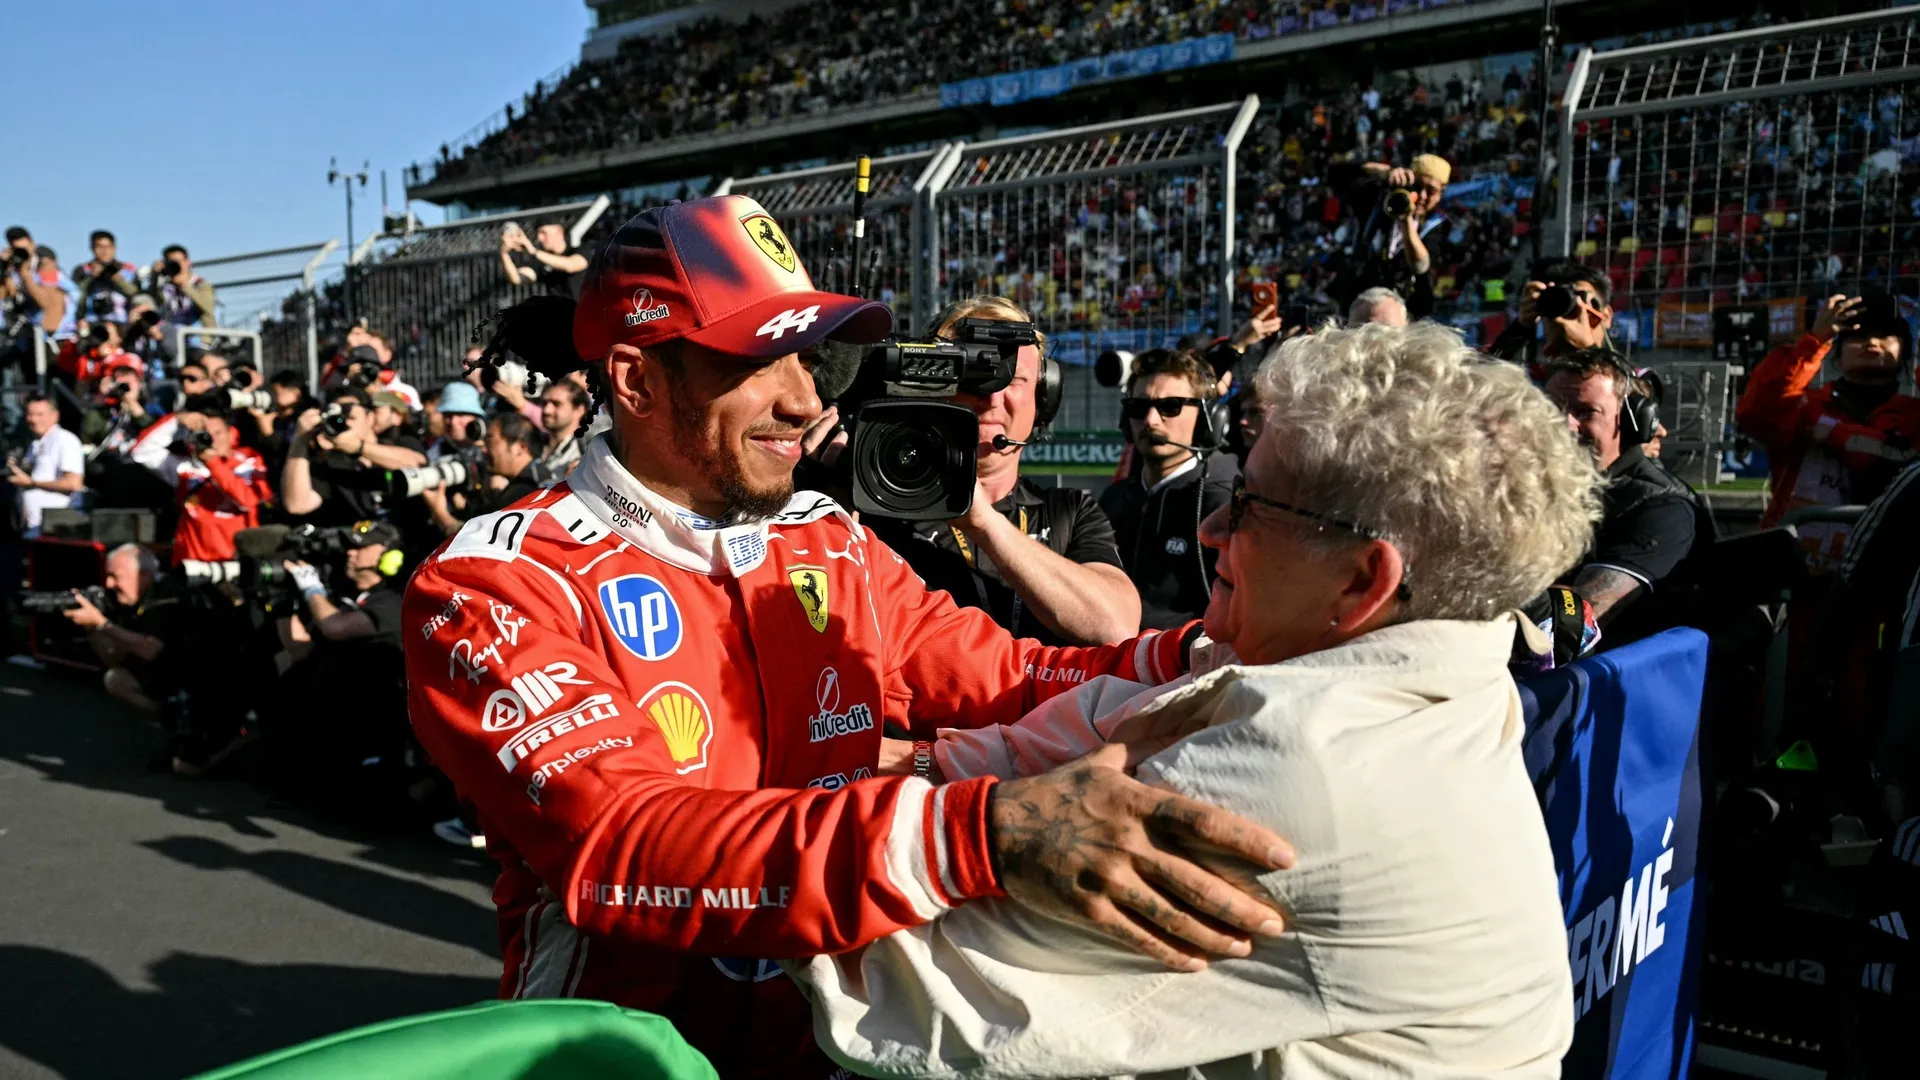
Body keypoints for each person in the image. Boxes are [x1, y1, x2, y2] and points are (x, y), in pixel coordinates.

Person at [403, 196, 1291, 1079]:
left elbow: (1015, 677)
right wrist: (977, 835)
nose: (805, 399)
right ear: (636, 382)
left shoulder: (827, 540)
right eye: (761, 360)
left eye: (807, 357)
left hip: (839, 1047)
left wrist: (1204, 653)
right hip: (622, 1059)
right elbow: (625, 837)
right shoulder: (493, 582)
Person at [793, 322, 1597, 1079]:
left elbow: (908, 997)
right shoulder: (1408, 664)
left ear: (1363, 580)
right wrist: (928, 764)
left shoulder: (1306, 764)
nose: (1213, 527)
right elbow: (1108, 714)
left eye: (1250, 504)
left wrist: (767, 767)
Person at [858, 295, 1142, 646]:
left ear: (1044, 397)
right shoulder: (874, 503)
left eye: (1013, 379)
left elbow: (1117, 627)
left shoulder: (1070, 511)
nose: (992, 398)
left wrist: (982, 522)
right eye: (972, 375)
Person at [1736, 292, 1920, 571]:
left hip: (1887, 572)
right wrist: (1815, 340)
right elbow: (1756, 413)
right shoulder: (1804, 406)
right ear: (1837, 355)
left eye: (1885, 336)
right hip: (1797, 568)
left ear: (1905, 352)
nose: (1872, 342)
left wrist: (1835, 434)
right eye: (1857, 337)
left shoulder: (1914, 415)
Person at [1544, 348, 1708, 643]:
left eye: (1586, 412)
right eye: (1552, 411)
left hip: (1604, 668)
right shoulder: (1538, 490)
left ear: (1633, 422)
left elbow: (1572, 628)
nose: (1565, 425)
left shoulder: (1663, 508)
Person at [1098, 348, 1239, 629]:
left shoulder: (1222, 505)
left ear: (1206, 418)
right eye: (1139, 407)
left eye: (1170, 406)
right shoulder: (1113, 499)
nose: (1151, 420)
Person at [63, 544, 190, 717]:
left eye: (115, 577)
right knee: (115, 679)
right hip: (155, 671)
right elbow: (113, 659)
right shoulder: (124, 599)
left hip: (189, 671)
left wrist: (102, 623)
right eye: (108, 576)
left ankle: (171, 714)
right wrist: (92, 627)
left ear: (143, 576)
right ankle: (165, 712)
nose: (109, 584)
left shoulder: (169, 595)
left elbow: (151, 649)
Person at [280, 386, 426, 525]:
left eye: (350, 417)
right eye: (338, 418)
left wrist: (358, 447)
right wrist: (300, 439)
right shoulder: (331, 464)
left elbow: (418, 465)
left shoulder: (400, 442)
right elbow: (297, 505)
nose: (344, 423)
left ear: (370, 417)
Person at [1328, 154, 1449, 320]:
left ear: (1441, 194)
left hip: (1408, 313)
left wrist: (1406, 221)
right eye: (1417, 186)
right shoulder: (1377, 197)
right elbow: (1335, 172)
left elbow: (1421, 266)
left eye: (1431, 191)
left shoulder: (1439, 224)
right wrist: (1385, 172)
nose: (1422, 195)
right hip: (1360, 303)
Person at [165, 402, 273, 565]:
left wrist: (213, 463)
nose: (212, 439)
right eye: (205, 434)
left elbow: (249, 501)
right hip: (191, 561)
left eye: (218, 432)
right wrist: (177, 419)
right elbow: (142, 452)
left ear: (232, 434)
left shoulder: (250, 460)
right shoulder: (185, 465)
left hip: (235, 560)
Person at [420, 411, 544, 535]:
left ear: (520, 447)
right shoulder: (537, 476)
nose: (483, 450)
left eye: (489, 441)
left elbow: (481, 540)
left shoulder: (527, 491)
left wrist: (440, 513)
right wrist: (464, 507)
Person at [1485, 260, 1616, 372]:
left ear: (1606, 316)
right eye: (1559, 304)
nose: (1567, 318)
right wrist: (1520, 327)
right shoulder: (1533, 381)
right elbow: (1483, 382)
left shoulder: (1623, 378)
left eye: (1581, 299)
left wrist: (1588, 351)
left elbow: (1615, 390)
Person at [9, 394, 84, 537]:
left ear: (55, 416)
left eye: (39, 414)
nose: (33, 419)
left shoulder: (65, 440)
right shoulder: (35, 444)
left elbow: (73, 483)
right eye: (30, 414)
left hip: (52, 527)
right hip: (31, 525)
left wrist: (32, 483)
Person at [498, 218, 587, 297]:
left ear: (559, 231)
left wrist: (534, 251)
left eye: (544, 233)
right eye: (538, 233)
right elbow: (516, 279)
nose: (539, 238)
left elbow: (571, 266)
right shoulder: (541, 261)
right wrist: (504, 253)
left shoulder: (582, 250)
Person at [72, 229, 139, 327]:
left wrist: (115, 278)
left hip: (122, 322)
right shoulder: (82, 270)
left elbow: (135, 293)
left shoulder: (127, 269)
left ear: (114, 248)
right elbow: (75, 296)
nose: (104, 251)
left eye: (108, 247)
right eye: (99, 247)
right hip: (91, 322)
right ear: (92, 248)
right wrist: (91, 277)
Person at [146, 244, 215, 329]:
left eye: (178, 261)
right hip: (172, 333)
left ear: (188, 262)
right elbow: (154, 302)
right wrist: (155, 276)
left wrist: (184, 286)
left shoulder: (201, 284)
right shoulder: (165, 286)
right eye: (171, 262)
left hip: (198, 334)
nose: (176, 265)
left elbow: (208, 308)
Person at [537, 377, 590, 477]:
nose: (547, 410)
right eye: (544, 403)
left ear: (579, 410)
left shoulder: (587, 451)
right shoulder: (533, 442)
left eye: (556, 404)